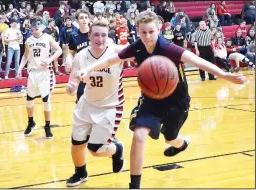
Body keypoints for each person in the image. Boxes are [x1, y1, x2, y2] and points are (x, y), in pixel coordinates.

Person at [76, 11, 247, 189]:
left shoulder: (169, 49)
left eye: (151, 31)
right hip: (151, 99)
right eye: (143, 32)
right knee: (139, 135)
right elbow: (110, 59)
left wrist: (224, 74)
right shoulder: (137, 47)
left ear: (158, 29)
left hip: (177, 102)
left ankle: (182, 144)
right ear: (138, 31)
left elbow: (198, 62)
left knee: (171, 138)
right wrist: (88, 69)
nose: (147, 36)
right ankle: (135, 185)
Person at [65, 20, 125, 187]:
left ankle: (117, 149)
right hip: (86, 104)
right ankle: (80, 173)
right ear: (89, 35)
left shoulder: (117, 53)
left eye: (104, 35)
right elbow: (73, 84)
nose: (100, 38)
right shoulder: (81, 56)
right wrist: (70, 88)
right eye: (96, 34)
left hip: (110, 107)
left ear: (108, 36)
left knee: (96, 150)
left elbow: (143, 49)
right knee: (77, 144)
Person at [17, 16, 62, 138]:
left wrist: (49, 60)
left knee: (46, 100)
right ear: (30, 26)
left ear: (42, 26)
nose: (36, 26)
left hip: (45, 73)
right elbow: (25, 56)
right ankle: (31, 122)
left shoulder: (47, 37)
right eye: (34, 24)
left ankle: (47, 126)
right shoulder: (28, 40)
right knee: (29, 99)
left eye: (39, 24)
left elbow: (59, 51)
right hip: (32, 72)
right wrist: (20, 68)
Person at [65, 9, 91, 103]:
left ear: (89, 20)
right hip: (82, 72)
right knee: (80, 100)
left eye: (86, 17)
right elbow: (70, 51)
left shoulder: (95, 33)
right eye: (81, 18)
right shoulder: (73, 35)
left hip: (96, 70)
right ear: (77, 21)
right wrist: (68, 58)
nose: (84, 20)